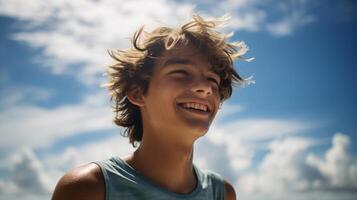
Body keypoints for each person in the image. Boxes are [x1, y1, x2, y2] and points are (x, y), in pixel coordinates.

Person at [52, 14, 252, 200]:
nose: (206, 88)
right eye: (181, 72)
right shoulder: (88, 188)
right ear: (137, 93)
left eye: (212, 79)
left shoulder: (221, 193)